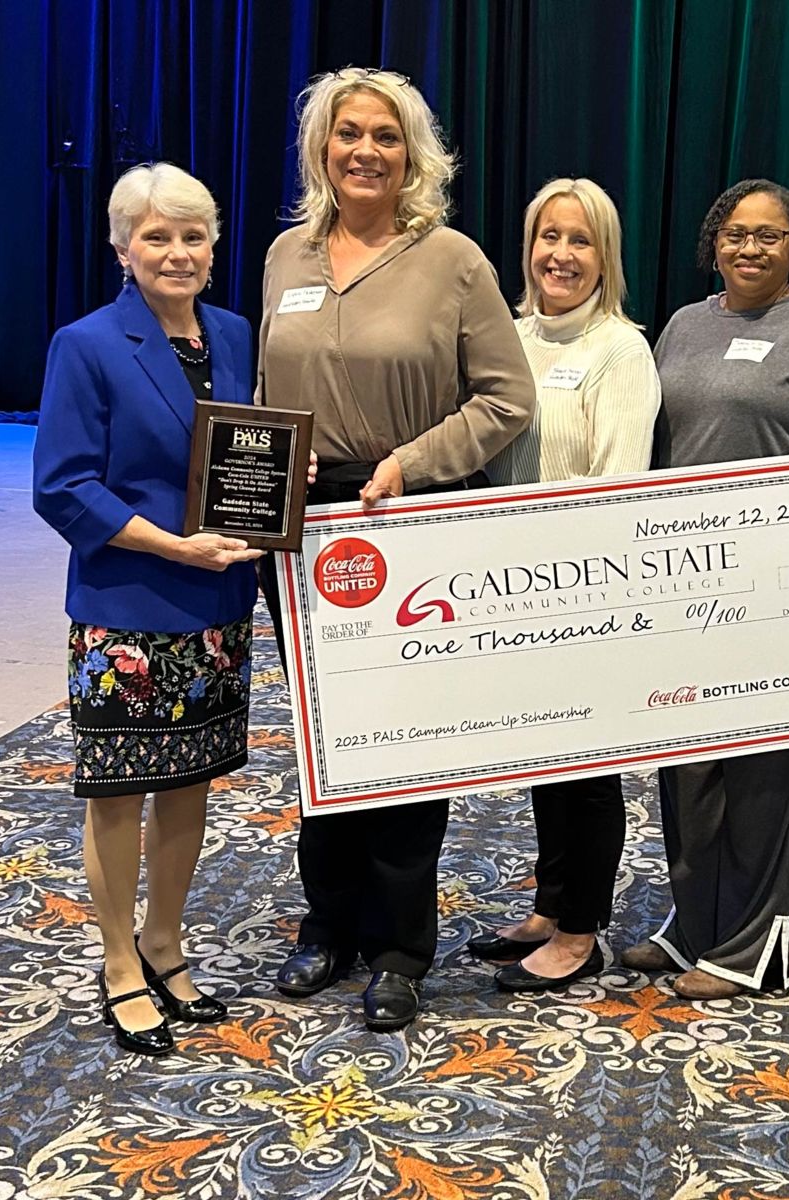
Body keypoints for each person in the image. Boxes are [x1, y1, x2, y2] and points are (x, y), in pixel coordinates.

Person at [256, 67, 535, 1031]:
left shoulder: (454, 260)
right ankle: (327, 925)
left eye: (384, 136)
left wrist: (413, 464)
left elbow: (507, 400)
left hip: (405, 522)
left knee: (405, 745)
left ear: (412, 154)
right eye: (347, 134)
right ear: (321, 150)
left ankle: (402, 946)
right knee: (323, 736)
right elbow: (263, 397)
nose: (364, 151)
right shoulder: (284, 256)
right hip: (300, 532)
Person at [619, 178, 789, 1000]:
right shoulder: (684, 326)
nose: (751, 248)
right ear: (714, 240)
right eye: (736, 233)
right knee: (689, 770)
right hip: (684, 591)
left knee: (769, 777)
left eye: (769, 236)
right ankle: (694, 923)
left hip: (782, 596)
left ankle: (759, 947)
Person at [33, 164, 267, 1056]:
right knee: (120, 796)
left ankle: (167, 944)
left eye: (193, 235)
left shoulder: (235, 335)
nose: (177, 252)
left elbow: (244, 452)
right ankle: (120, 962)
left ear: (214, 246)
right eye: (156, 236)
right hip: (127, 609)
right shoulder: (86, 344)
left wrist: (286, 477)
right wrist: (174, 545)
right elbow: (62, 488)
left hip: (217, 605)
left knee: (189, 786)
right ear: (122, 247)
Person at [469, 178, 661, 993]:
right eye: (550, 236)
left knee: (584, 767)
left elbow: (620, 482)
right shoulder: (507, 338)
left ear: (605, 256)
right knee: (543, 751)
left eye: (581, 241)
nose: (561, 254)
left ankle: (580, 928)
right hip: (511, 585)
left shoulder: (621, 349)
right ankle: (551, 905)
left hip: (581, 589)